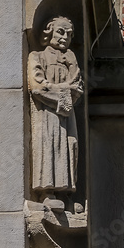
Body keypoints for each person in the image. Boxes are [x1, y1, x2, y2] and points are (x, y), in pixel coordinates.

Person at [27, 17, 84, 204]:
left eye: (69, 34)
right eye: (60, 32)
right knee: (50, 145)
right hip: (47, 113)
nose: (65, 37)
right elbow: (38, 87)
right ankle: (47, 192)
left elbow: (78, 87)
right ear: (49, 31)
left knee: (69, 146)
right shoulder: (37, 56)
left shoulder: (70, 59)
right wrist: (65, 91)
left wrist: (72, 65)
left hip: (67, 115)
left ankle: (65, 193)